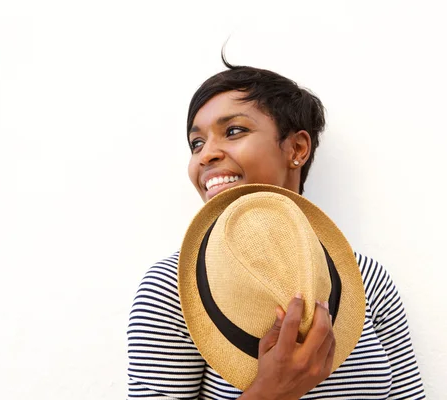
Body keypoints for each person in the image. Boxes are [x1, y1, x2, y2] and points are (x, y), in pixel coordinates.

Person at [127, 56, 426, 399]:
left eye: (233, 131)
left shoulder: (367, 278)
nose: (205, 155)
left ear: (297, 148)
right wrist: (271, 392)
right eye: (197, 143)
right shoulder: (173, 288)